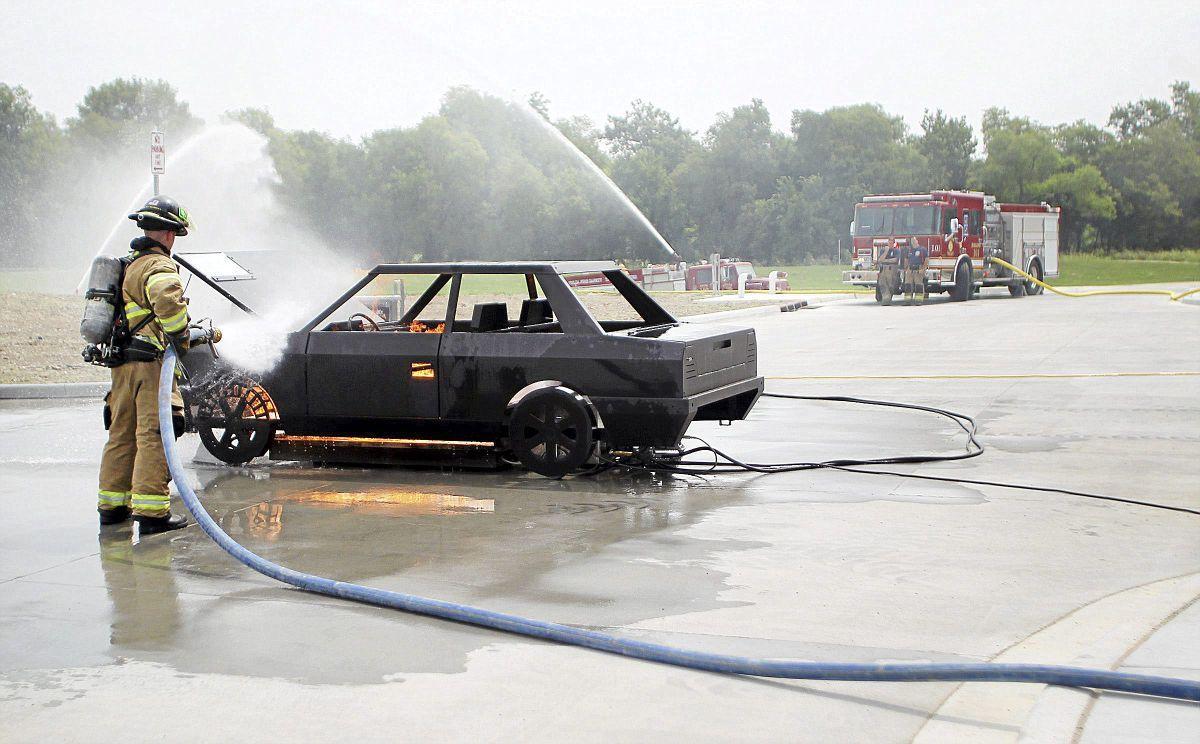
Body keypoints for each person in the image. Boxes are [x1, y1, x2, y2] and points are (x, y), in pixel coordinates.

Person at [97, 196, 194, 533]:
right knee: (155, 434)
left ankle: (112, 507)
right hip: (149, 365)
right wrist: (182, 337)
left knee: (121, 435)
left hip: (122, 365)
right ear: (168, 234)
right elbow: (167, 301)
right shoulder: (158, 265)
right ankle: (152, 514)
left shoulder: (130, 264)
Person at [903, 237, 928, 305]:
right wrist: (906, 269)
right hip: (910, 269)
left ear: (917, 241)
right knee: (907, 285)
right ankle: (907, 301)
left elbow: (926, 260)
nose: (913, 242)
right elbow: (906, 259)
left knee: (919, 285)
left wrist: (923, 269)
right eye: (912, 241)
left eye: (914, 240)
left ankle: (918, 301)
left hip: (918, 269)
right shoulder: (909, 250)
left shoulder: (922, 249)